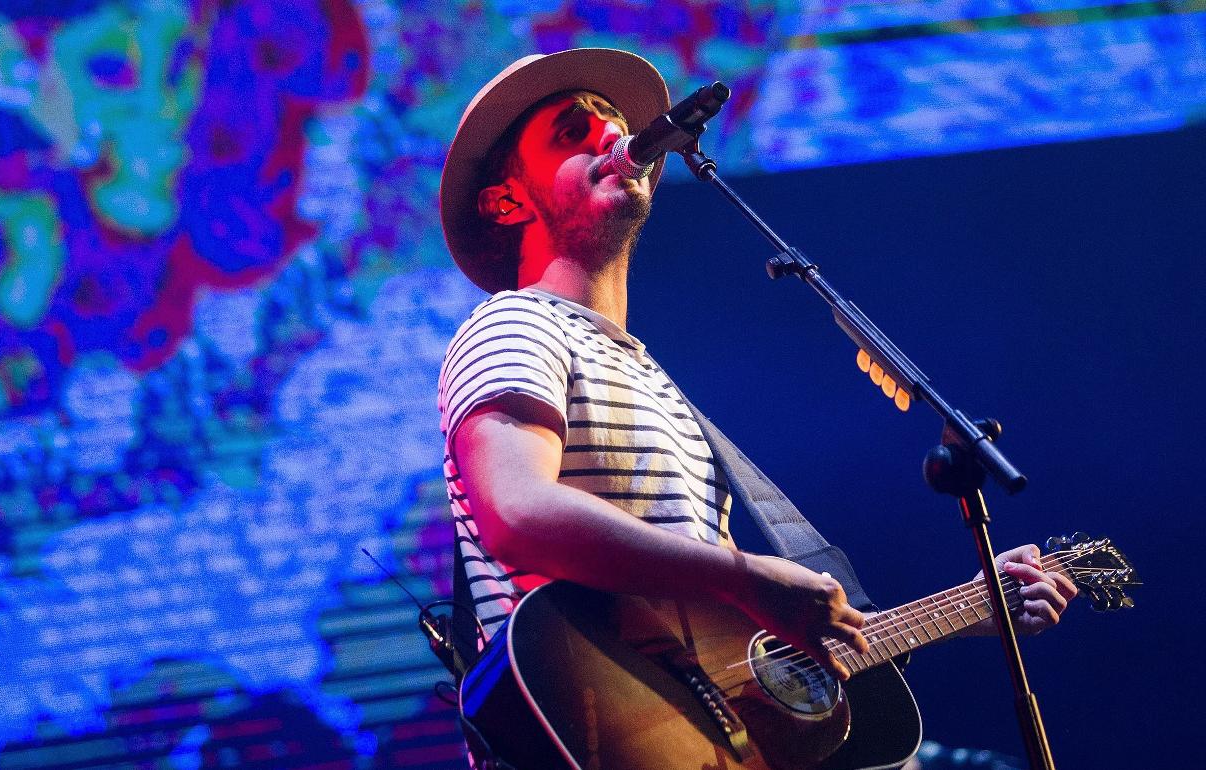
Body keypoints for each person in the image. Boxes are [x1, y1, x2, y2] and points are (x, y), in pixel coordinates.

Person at [436, 47, 1076, 691]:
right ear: (506, 203)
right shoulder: (517, 324)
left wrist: (966, 609)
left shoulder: (643, 373)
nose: (611, 133)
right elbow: (516, 513)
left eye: (613, 122)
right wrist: (745, 577)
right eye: (571, 133)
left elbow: (736, 649)